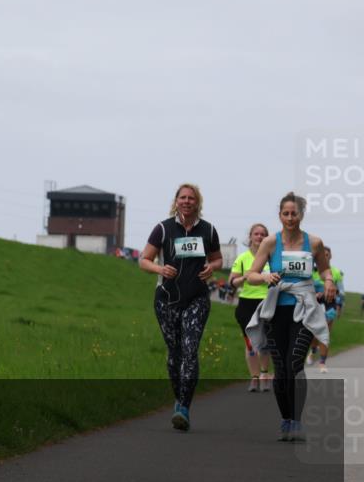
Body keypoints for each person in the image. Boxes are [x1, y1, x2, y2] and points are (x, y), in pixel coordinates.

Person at [243, 192, 334, 442]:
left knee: (295, 363)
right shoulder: (271, 243)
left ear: (301, 215)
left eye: (294, 213)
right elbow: (251, 274)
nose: (290, 218)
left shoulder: (314, 243)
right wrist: (265, 277)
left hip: (304, 309)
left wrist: (327, 281)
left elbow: (325, 269)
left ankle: (296, 420)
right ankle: (285, 419)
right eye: (286, 213)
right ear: (280, 215)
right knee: (281, 367)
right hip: (276, 310)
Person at [139, 183, 223, 432]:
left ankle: (184, 407)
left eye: (191, 198)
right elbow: (144, 260)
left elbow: (217, 257)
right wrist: (160, 269)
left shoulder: (208, 230)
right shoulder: (163, 229)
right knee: (175, 354)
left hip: (197, 298)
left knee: (190, 349)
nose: (187, 201)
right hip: (166, 299)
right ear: (176, 201)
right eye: (182, 198)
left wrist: (213, 267)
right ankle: (179, 397)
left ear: (198, 203)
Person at [229, 223, 273, 392]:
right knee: (250, 344)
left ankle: (264, 374)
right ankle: (254, 377)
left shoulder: (272, 257)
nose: (259, 237)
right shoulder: (242, 258)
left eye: (263, 234)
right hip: (247, 302)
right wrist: (244, 278)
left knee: (265, 342)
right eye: (256, 234)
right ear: (251, 237)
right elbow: (231, 282)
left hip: (267, 302)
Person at [308, 247, 344, 373]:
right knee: (313, 334)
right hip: (313, 305)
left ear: (330, 256)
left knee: (325, 334)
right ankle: (312, 351)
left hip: (330, 305)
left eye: (327, 254)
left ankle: (322, 362)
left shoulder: (336, 272)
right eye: (322, 254)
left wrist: (339, 306)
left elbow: (341, 291)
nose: (325, 256)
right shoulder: (311, 271)